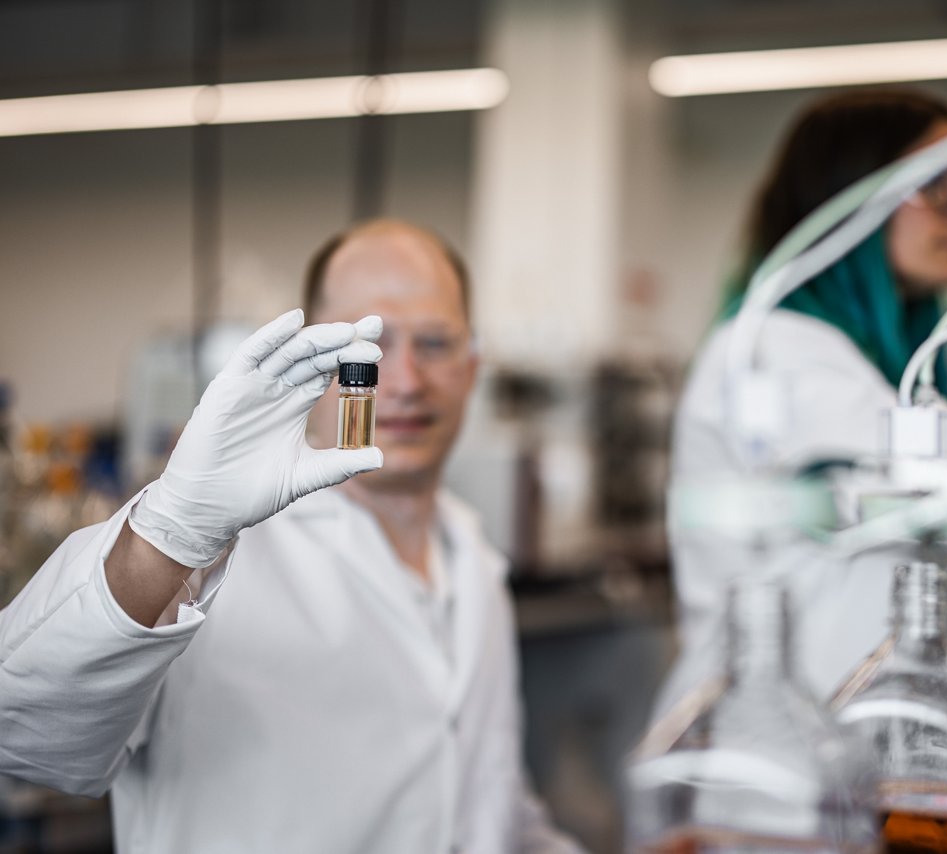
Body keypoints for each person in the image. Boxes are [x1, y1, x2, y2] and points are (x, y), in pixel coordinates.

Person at [0, 219, 581, 853]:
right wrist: (176, 528)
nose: (409, 381)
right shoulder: (215, 554)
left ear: (474, 366)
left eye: (437, 343)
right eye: (375, 347)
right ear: (321, 356)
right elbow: (22, 734)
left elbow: (485, 800)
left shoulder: (472, 559)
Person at [655, 88, 947, 715]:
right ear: (852, 198)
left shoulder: (865, 362)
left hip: (863, 733)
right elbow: (934, 454)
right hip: (779, 744)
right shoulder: (770, 349)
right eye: (938, 185)